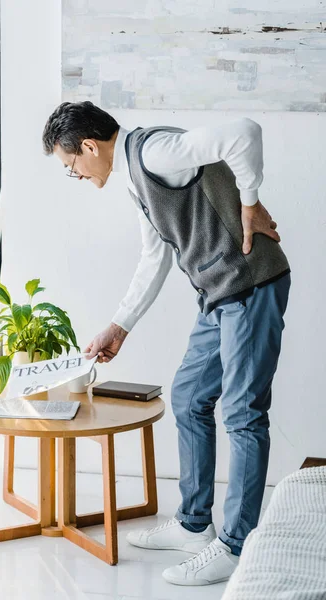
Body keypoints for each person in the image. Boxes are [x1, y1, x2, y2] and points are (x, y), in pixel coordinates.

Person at [42, 101, 291, 586]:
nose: (76, 174)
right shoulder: (138, 178)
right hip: (219, 295)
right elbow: (154, 255)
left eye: (71, 166)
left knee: (242, 413)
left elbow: (244, 130)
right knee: (188, 397)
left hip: (251, 285)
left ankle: (238, 545)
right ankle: (195, 525)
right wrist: (120, 325)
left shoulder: (153, 153)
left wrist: (249, 200)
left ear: (89, 146)